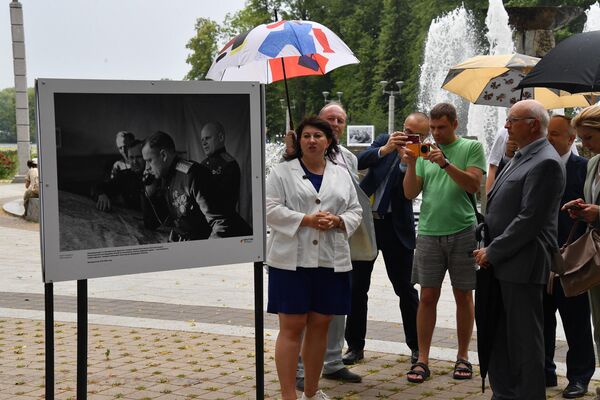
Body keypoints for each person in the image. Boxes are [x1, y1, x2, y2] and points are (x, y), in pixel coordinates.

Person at [474, 99, 565, 399]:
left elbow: (530, 220)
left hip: (522, 264)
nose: (505, 125)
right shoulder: (520, 155)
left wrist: (493, 251)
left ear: (533, 124)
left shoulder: (547, 162)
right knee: (499, 334)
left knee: (524, 340)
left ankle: (527, 394)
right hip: (502, 262)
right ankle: (504, 393)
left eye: (512, 120)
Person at [266, 116, 362, 400]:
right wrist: (306, 219)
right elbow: (270, 209)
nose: (311, 140)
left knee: (320, 326)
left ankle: (311, 391)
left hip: (330, 261)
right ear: (299, 141)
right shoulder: (281, 172)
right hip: (291, 261)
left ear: (329, 141)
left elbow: (356, 210)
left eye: (318, 136)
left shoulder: (341, 174)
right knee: (292, 327)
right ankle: (288, 395)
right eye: (306, 135)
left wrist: (339, 220)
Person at [403, 103, 486, 383]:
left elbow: (473, 186)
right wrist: (413, 162)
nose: (436, 133)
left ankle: (463, 356)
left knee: (464, 294)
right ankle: (422, 358)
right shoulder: (425, 151)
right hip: (428, 231)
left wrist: (445, 163)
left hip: (463, 230)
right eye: (433, 128)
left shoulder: (471, 148)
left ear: (454, 124)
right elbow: (410, 193)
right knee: (427, 296)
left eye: (442, 127)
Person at [343, 112, 427, 367]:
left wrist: (409, 161)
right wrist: (386, 149)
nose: (406, 136)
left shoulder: (423, 154)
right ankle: (355, 346)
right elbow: (358, 162)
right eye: (405, 129)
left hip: (396, 227)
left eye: (415, 133)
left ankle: (417, 347)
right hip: (367, 224)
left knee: (404, 288)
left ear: (425, 136)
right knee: (357, 287)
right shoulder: (384, 141)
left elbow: (410, 190)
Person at [544, 115, 594, 399]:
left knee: (576, 320)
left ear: (570, 139)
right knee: (542, 318)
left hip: (572, 257)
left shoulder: (583, 168)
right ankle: (544, 371)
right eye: (547, 133)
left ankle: (579, 377)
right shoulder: (538, 165)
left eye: (556, 134)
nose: (549, 139)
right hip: (541, 256)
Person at [562, 104, 600, 399]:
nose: (583, 145)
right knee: (598, 322)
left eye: (588, 138)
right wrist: (582, 207)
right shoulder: (594, 163)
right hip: (595, 254)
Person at [142, 131, 212, 241]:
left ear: (163, 155)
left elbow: (219, 223)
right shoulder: (165, 177)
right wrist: (149, 193)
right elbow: (151, 223)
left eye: (149, 161)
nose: (147, 168)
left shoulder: (192, 175)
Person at [199, 122, 252, 237]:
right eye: (202, 139)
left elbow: (224, 204)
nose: (203, 143)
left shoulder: (229, 164)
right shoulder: (202, 164)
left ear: (221, 137)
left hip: (223, 224)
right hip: (207, 222)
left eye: (207, 138)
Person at [96, 131, 136, 211]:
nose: (123, 151)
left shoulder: (145, 163)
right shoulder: (118, 166)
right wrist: (102, 194)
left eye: (126, 146)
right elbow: (110, 187)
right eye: (120, 148)